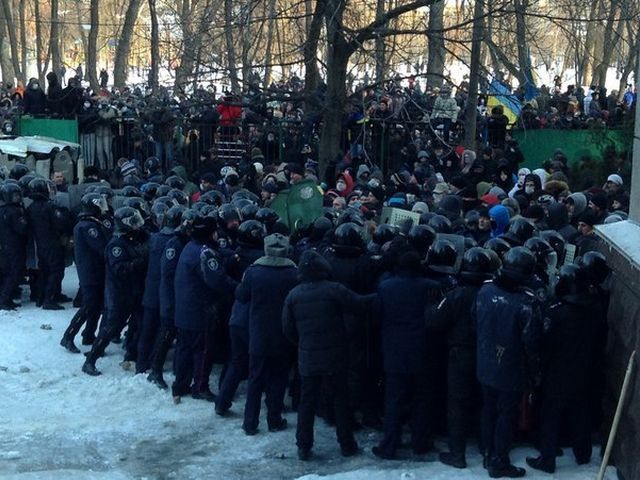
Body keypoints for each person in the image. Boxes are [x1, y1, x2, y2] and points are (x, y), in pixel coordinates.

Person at [282, 250, 374, 461]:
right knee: (341, 400)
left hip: (308, 357)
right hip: (336, 356)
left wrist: (302, 344)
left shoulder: (294, 295)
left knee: (307, 402)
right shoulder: (334, 290)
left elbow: (287, 328)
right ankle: (347, 444)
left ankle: (304, 446)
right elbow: (359, 304)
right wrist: (381, 295)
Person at [474, 246, 541, 478]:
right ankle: (498, 460)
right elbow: (531, 340)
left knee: (488, 409)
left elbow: (476, 318)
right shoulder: (525, 303)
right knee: (506, 415)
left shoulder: (484, 291)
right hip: (511, 369)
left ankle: (487, 451)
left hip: (485, 362)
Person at [526, 264, 600, 474]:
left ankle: (547, 458)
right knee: (580, 412)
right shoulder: (593, 310)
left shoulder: (556, 314)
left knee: (550, 415)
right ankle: (583, 452)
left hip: (557, 371)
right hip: (583, 370)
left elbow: (542, 342)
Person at [372, 251, 441, 460]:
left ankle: (389, 444)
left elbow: (377, 316)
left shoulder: (385, 287)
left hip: (394, 350)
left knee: (393, 400)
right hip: (423, 349)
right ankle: (421, 442)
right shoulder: (431, 286)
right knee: (422, 398)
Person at [433, 247, 494, 469]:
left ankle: (457, 452)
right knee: (484, 401)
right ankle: (485, 447)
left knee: (458, 402)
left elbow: (436, 321)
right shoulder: (492, 294)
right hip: (486, 353)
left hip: (461, 355)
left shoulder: (456, 295)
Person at [171, 214, 237, 402]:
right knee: (203, 351)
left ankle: (180, 385)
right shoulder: (204, 253)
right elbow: (218, 280)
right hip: (200, 311)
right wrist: (239, 287)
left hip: (184, 310)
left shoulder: (190, 248)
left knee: (184, 350)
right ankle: (200, 387)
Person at [237, 233, 298, 435]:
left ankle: (250, 422)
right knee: (278, 379)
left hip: (259, 333)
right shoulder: (293, 273)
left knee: (255, 379)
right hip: (283, 334)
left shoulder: (254, 272)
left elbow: (241, 296)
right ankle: (274, 418)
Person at [82, 207, 148, 376]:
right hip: (119, 293)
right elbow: (119, 268)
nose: (137, 225)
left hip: (135, 291)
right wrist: (138, 262)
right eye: (134, 222)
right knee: (111, 328)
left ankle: (132, 355)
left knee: (140, 324)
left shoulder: (133, 239)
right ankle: (90, 360)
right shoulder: (117, 244)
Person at [60, 193, 110, 352]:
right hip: (91, 273)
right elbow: (101, 247)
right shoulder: (87, 226)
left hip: (95, 271)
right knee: (88, 306)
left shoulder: (90, 224)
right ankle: (68, 336)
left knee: (96, 305)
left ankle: (89, 334)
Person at [26, 178, 72, 310]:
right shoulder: (50, 207)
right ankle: (49, 299)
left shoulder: (30, 208)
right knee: (56, 270)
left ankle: (43, 297)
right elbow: (60, 223)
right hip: (52, 242)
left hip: (39, 243)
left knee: (44, 271)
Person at [0, 183, 29, 310]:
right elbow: (22, 229)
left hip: (5, 246)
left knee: (8, 272)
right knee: (14, 273)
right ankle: (5, 299)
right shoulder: (15, 211)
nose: (17, 198)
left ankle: (6, 298)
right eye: (15, 196)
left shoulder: (2, 210)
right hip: (15, 246)